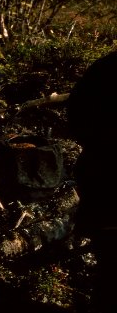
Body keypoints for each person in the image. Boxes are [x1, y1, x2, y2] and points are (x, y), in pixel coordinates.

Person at [66, 50, 117, 313]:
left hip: (101, 180)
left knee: (109, 271)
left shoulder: (104, 67)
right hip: (106, 184)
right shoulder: (106, 68)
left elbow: (75, 118)